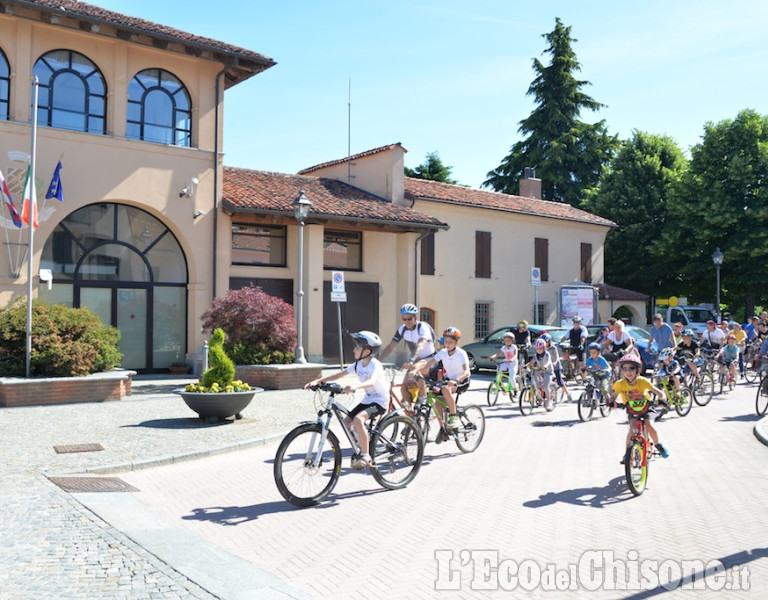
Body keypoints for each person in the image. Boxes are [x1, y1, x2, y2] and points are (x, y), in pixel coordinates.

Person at [304, 331, 387, 470]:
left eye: (357, 346)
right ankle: (360, 443)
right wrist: (318, 381)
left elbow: (372, 382)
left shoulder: (375, 365)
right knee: (347, 422)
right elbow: (338, 375)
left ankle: (366, 455)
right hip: (368, 400)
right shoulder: (358, 364)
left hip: (380, 401)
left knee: (358, 420)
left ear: (367, 351)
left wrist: (354, 386)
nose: (354, 349)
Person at [609, 354, 669, 463]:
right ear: (621, 370)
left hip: (647, 407)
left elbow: (659, 392)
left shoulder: (643, 381)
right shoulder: (620, 384)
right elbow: (613, 396)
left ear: (638, 370)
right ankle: (627, 454)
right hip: (632, 410)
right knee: (632, 430)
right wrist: (610, 402)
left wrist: (662, 399)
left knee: (649, 425)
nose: (628, 371)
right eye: (625, 368)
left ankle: (658, 445)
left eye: (632, 368)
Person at [379, 303, 436, 404]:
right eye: (404, 319)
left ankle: (423, 405)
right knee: (403, 389)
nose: (407, 322)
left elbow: (421, 345)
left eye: (409, 319)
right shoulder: (402, 329)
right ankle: (411, 415)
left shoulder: (422, 327)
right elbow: (391, 346)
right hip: (416, 361)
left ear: (415, 317)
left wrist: (411, 360)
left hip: (430, 359)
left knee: (413, 371)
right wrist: (378, 361)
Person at [422, 327, 471, 430]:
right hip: (448, 379)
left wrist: (456, 380)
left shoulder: (461, 353)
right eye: (446, 341)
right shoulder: (443, 352)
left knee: (445, 389)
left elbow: (467, 372)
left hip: (462, 380)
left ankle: (454, 416)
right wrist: (417, 371)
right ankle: (442, 427)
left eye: (451, 342)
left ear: (457, 342)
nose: (447, 344)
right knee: (437, 400)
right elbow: (430, 363)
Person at [541, 332, 571, 402]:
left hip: (556, 367)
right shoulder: (542, 349)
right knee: (543, 381)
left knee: (560, 382)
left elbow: (557, 357)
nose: (545, 343)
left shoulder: (553, 348)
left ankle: (568, 394)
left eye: (546, 342)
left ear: (549, 341)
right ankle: (543, 396)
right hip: (547, 367)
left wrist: (555, 362)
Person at [525, 338, 555, 409]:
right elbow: (531, 362)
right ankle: (540, 397)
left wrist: (545, 366)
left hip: (548, 371)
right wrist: (526, 365)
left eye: (540, 349)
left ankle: (548, 401)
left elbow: (548, 361)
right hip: (539, 371)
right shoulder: (536, 356)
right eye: (537, 349)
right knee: (536, 384)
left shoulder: (547, 354)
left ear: (544, 348)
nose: (538, 350)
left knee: (545, 386)